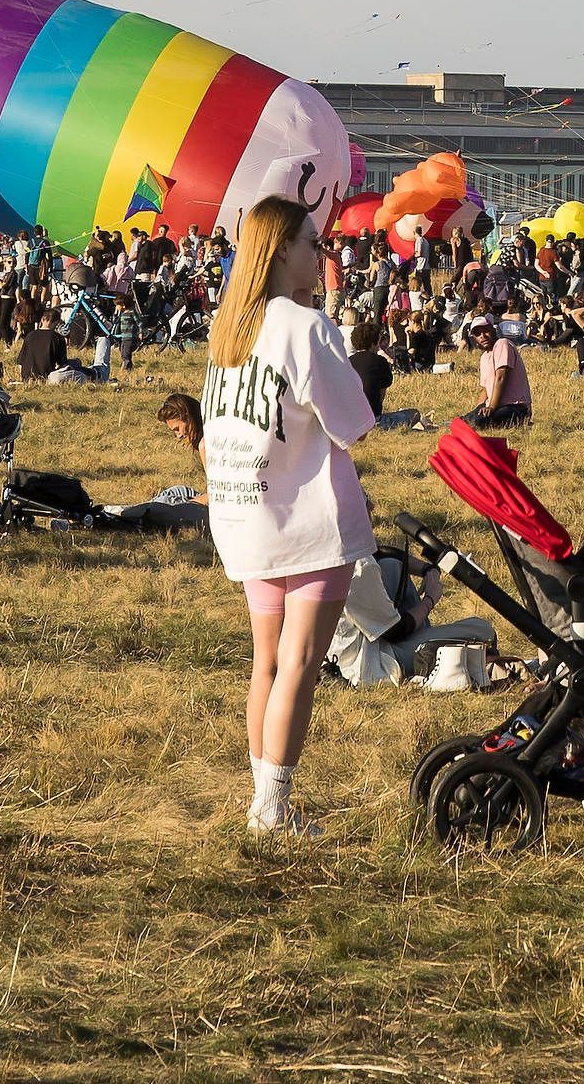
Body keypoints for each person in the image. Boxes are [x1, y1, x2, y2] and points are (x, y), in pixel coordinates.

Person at [199, 197, 378, 835]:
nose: (321, 254)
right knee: (300, 662)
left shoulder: (229, 330)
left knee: (266, 663)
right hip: (305, 516)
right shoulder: (302, 327)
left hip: (244, 511)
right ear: (281, 251)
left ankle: (262, 795)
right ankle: (273, 806)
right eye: (312, 243)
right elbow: (354, 424)